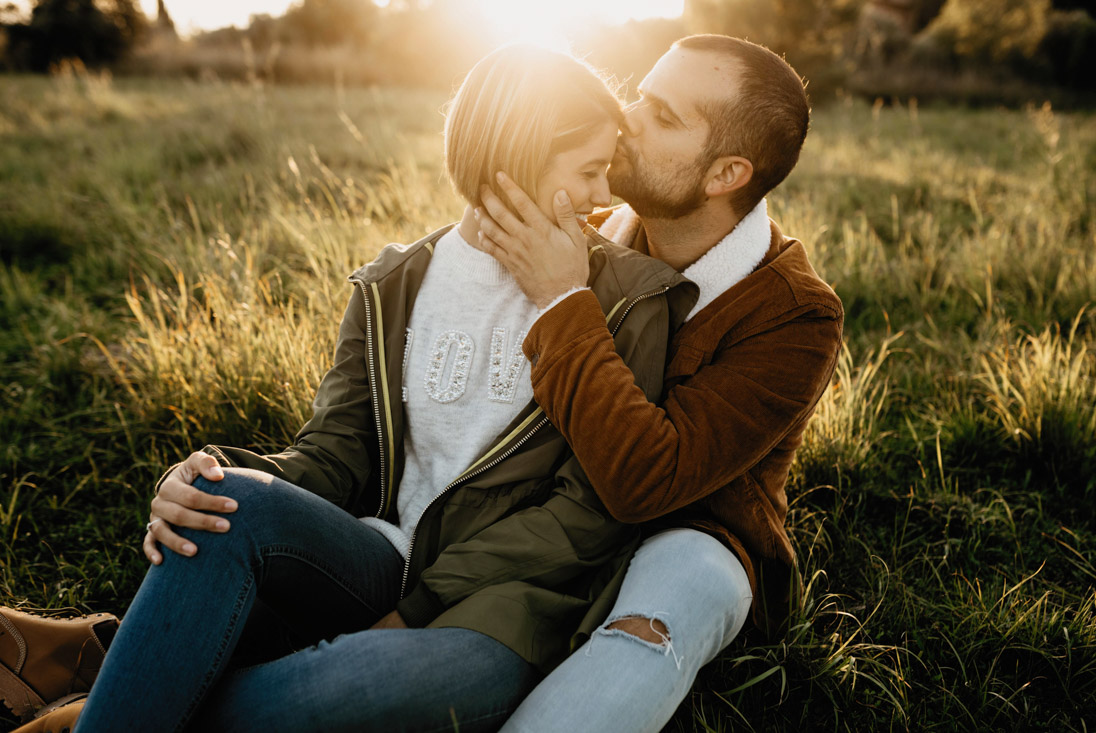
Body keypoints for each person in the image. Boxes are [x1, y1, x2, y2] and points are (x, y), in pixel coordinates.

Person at [10, 45, 695, 733]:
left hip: (500, 614)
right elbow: (334, 454)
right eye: (588, 171)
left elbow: (586, 515)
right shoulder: (392, 284)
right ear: (515, 159)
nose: (607, 198)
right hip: (375, 561)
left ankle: (92, 711)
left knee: (340, 686)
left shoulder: (627, 299)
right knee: (227, 501)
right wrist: (211, 475)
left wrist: (417, 610)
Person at [473, 35, 844, 732]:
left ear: (724, 173)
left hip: (698, 533)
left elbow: (650, 480)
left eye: (663, 116)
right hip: (549, 509)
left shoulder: (796, 313)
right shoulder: (580, 225)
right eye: (639, 94)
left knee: (657, 621)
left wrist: (563, 301)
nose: (625, 117)